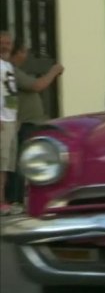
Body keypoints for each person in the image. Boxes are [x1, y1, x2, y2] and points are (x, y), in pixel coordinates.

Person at [6, 43, 64, 207]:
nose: (26, 56)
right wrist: (54, 71)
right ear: (17, 53)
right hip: (24, 123)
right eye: (24, 51)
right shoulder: (12, 71)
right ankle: (14, 200)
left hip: (30, 122)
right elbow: (37, 85)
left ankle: (20, 199)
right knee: (20, 163)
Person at [0, 31, 19, 216]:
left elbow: (10, 94)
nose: (6, 46)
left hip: (10, 119)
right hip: (2, 121)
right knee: (2, 164)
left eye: (8, 43)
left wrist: (14, 116)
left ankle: (5, 200)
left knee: (8, 165)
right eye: (2, 43)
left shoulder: (8, 66)